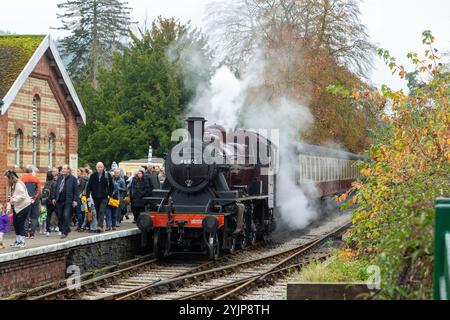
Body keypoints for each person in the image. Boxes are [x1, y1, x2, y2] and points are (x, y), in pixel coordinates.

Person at [5, 170, 32, 248]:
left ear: (11, 178)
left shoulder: (19, 184)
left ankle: (23, 242)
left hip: (24, 206)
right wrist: (9, 206)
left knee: (20, 223)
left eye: (7, 178)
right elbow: (11, 197)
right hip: (17, 206)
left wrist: (14, 199)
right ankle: (18, 240)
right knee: (16, 223)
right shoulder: (13, 185)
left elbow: (23, 195)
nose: (7, 181)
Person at [86, 162, 113, 233]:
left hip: (104, 196)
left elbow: (111, 186)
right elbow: (89, 186)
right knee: (97, 211)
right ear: (96, 168)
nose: (100, 168)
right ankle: (100, 225)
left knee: (102, 210)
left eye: (101, 167)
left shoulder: (107, 175)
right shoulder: (93, 175)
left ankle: (99, 226)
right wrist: (88, 196)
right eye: (98, 167)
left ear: (103, 167)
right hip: (95, 196)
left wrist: (109, 195)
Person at [53, 165, 78, 239]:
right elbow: (56, 188)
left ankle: (64, 232)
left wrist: (75, 200)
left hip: (68, 200)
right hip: (59, 200)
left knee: (66, 215)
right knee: (60, 216)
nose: (63, 170)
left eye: (64, 169)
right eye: (62, 169)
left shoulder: (73, 179)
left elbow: (76, 190)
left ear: (68, 170)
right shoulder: (59, 178)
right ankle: (66, 228)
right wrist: (54, 198)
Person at [21, 165, 41, 239]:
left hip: (26, 201)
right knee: (34, 217)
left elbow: (21, 190)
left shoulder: (22, 179)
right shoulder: (36, 179)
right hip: (34, 201)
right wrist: (34, 198)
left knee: (26, 217)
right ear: (32, 171)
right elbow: (38, 190)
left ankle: (26, 233)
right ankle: (32, 233)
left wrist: (27, 198)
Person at [41, 171, 56, 237]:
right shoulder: (54, 183)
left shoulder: (46, 183)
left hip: (47, 201)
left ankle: (47, 230)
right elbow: (53, 192)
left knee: (48, 216)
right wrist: (53, 198)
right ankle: (60, 229)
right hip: (53, 201)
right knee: (58, 214)